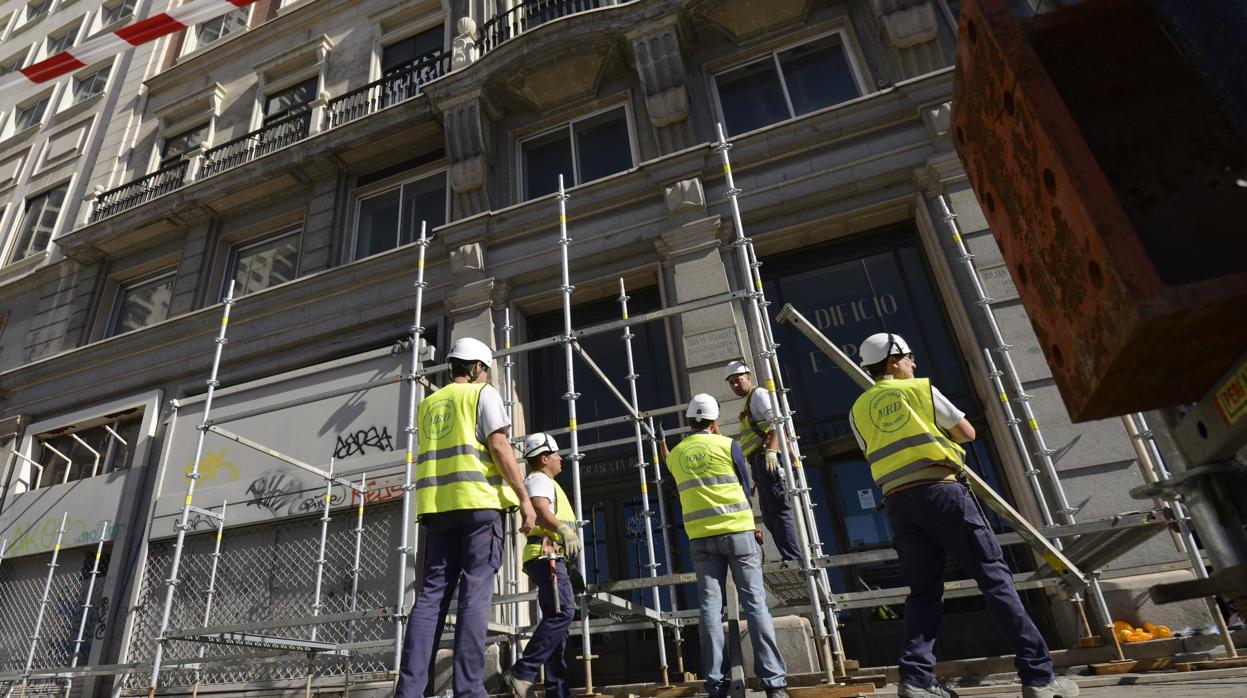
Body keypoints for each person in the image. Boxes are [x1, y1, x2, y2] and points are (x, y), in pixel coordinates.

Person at [849, 333, 1079, 698]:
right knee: (994, 578)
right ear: (893, 360)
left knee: (923, 592)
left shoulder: (857, 409)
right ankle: (1039, 677)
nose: (914, 364)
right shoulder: (920, 390)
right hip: (943, 492)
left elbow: (870, 453)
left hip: (898, 503)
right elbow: (967, 432)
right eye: (909, 357)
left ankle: (916, 681)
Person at [396, 336, 536, 698]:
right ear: (476, 367)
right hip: (479, 506)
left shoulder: (428, 404)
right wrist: (524, 497)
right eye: (485, 370)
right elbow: (500, 445)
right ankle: (469, 690)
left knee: (429, 599)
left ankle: (409, 691)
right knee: (474, 595)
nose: (486, 375)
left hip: (438, 510)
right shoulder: (481, 393)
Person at [665, 394, 788, 698]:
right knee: (755, 604)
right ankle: (774, 685)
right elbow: (745, 485)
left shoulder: (676, 454)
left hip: (700, 538)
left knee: (709, 610)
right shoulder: (727, 445)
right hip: (738, 533)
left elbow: (676, 483)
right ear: (714, 420)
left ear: (689, 421)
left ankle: (716, 686)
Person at [503, 433, 582, 698]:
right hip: (547, 556)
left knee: (556, 628)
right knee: (563, 614)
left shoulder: (546, 481)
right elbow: (539, 508)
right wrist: (565, 531)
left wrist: (571, 568)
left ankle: (557, 692)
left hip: (554, 558)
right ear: (544, 458)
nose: (561, 458)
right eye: (557, 454)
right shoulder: (539, 479)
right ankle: (522, 671)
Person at [724, 361, 801, 561]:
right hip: (760, 463)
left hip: (768, 458)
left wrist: (772, 452)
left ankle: (792, 557)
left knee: (777, 509)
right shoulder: (749, 401)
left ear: (748, 376)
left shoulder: (758, 395)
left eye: (738, 380)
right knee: (769, 514)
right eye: (731, 382)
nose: (735, 385)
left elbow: (777, 420)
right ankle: (788, 555)